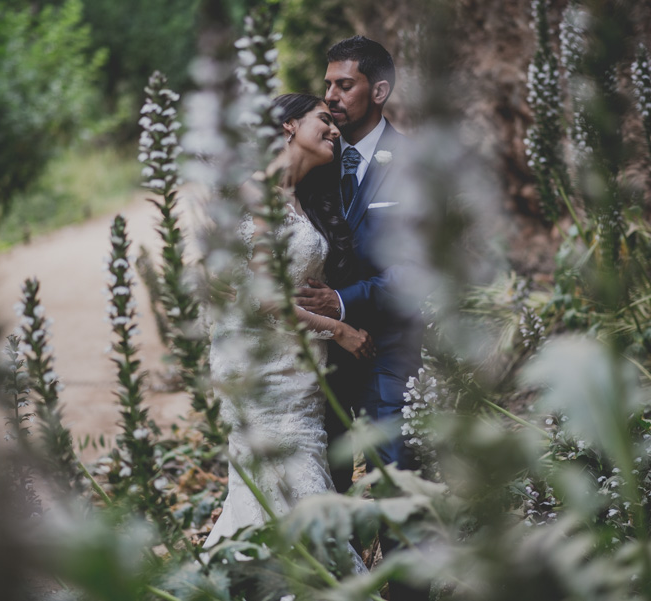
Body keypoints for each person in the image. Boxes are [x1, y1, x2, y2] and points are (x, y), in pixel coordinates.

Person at [204, 94, 372, 570]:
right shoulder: (257, 193)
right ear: (288, 126)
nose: (335, 130)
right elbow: (264, 299)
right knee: (294, 486)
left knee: (280, 490)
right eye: (324, 119)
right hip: (263, 373)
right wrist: (339, 329)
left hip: (298, 370)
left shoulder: (298, 197)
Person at [294, 36, 429, 601]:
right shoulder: (315, 158)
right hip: (322, 358)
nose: (329, 97)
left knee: (396, 480)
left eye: (342, 85)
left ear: (379, 90)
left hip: (389, 348)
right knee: (324, 485)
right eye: (326, 84)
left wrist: (345, 305)